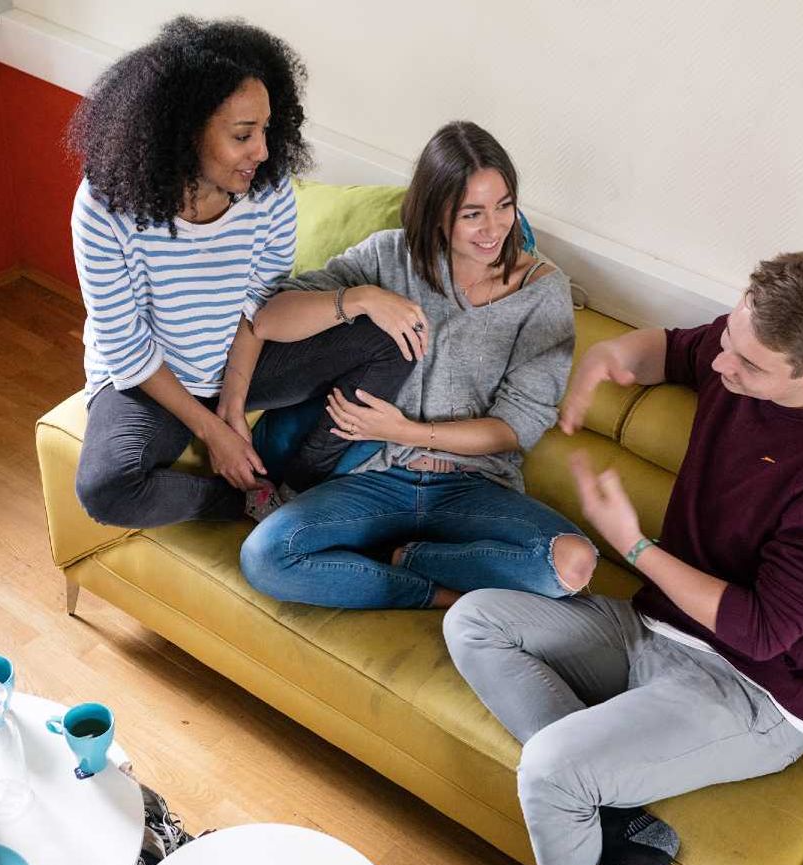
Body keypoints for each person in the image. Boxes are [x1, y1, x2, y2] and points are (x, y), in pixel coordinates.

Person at [444, 253, 803, 865]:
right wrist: (608, 357)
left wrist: (634, 546)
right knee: (476, 621)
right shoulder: (745, 348)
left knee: (551, 770)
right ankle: (625, 825)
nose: (721, 361)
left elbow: (760, 632)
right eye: (728, 336)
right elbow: (675, 350)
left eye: (747, 364)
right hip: (655, 631)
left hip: (754, 690)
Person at [68, 17, 415, 528]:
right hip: (151, 378)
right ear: (184, 134)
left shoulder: (268, 189)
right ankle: (243, 502)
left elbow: (261, 301)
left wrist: (232, 398)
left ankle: (298, 485)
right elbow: (125, 348)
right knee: (106, 489)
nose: (264, 151)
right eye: (242, 135)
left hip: (242, 354)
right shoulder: (104, 207)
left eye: (267, 130)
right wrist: (213, 433)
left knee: (393, 340)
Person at [238, 121, 596, 609]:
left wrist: (407, 431)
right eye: (473, 214)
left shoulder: (543, 292)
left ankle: (410, 557)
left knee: (572, 563)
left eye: (504, 206)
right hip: (374, 479)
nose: (493, 229)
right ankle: (432, 593)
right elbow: (269, 318)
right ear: (435, 214)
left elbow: (516, 427)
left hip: (473, 488)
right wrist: (360, 298)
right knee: (265, 556)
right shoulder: (389, 256)